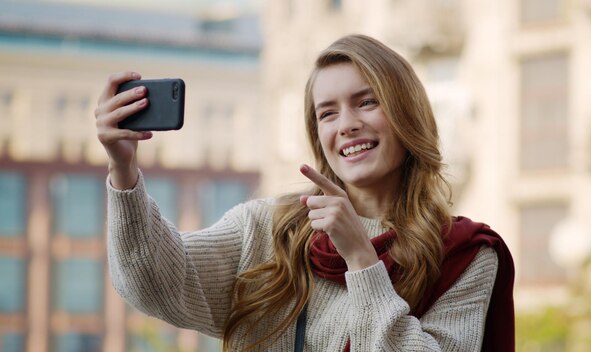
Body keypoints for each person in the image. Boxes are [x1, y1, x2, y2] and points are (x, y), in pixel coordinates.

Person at [95, 34, 515, 351]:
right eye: (327, 113)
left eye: (367, 102)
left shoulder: (465, 254)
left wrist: (362, 261)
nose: (346, 124)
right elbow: (156, 283)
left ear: (407, 114)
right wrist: (123, 168)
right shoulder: (263, 227)